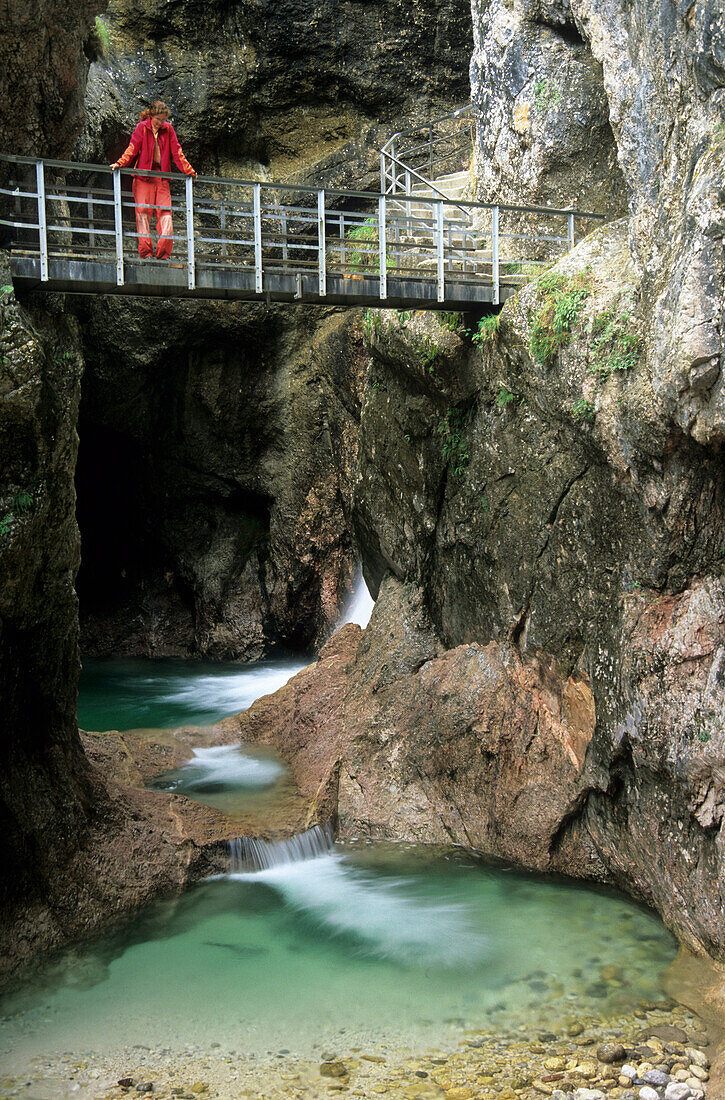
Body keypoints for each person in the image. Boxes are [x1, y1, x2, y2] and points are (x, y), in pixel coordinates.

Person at [110, 101, 196, 260]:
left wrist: (188, 170)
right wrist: (120, 163)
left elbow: (177, 152)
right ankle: (146, 253)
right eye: (157, 119)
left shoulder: (168, 129)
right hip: (143, 178)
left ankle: (164, 254)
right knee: (142, 214)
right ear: (151, 116)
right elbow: (132, 148)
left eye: (163, 120)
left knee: (166, 215)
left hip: (161, 178)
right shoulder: (141, 127)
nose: (160, 123)